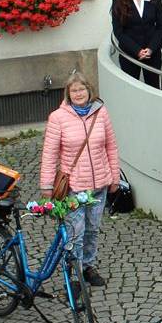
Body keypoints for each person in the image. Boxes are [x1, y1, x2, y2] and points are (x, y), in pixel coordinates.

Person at [40, 73, 120, 288]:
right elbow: (50, 153)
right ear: (68, 94)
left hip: (99, 185)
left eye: (81, 89)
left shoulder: (101, 112)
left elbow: (111, 146)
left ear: (89, 90)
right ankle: (74, 274)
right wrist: (47, 184)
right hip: (74, 187)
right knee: (76, 232)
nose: (78, 94)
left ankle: (87, 266)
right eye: (74, 90)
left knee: (93, 229)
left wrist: (114, 176)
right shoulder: (58, 117)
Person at [110, 0, 162, 88]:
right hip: (129, 54)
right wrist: (137, 50)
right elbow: (118, 31)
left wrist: (151, 48)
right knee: (131, 89)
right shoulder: (118, 1)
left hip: (152, 53)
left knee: (154, 89)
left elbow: (161, 27)